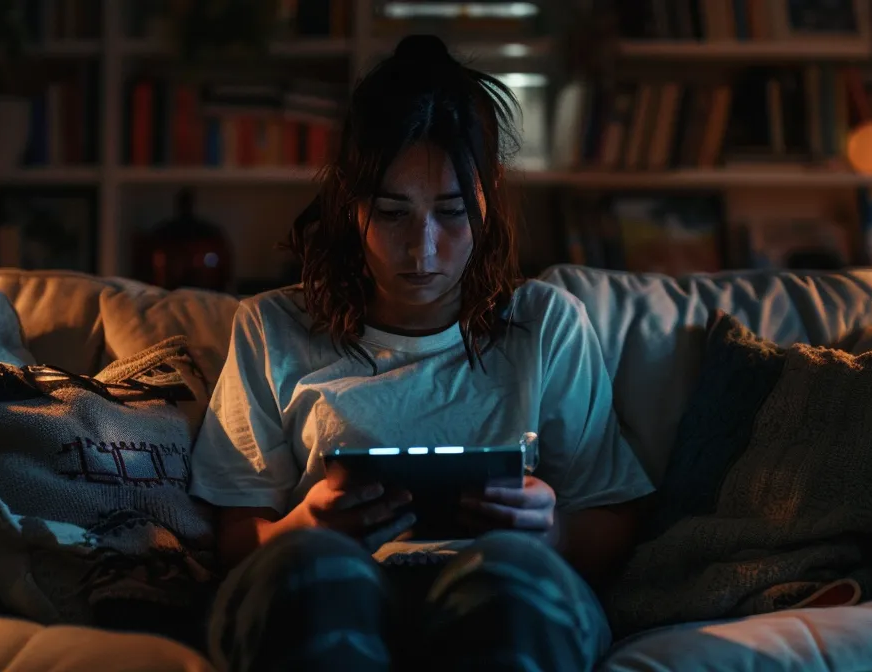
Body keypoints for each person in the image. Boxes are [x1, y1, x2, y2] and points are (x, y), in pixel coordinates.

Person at [189, 34, 654, 671]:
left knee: (509, 571)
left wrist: (555, 528)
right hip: (337, 587)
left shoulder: (547, 326)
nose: (423, 251)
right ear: (350, 207)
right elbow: (238, 544)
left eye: (453, 212)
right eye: (392, 213)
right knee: (315, 569)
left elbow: (614, 517)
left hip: (497, 594)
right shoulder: (271, 327)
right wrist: (305, 526)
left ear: (488, 204)